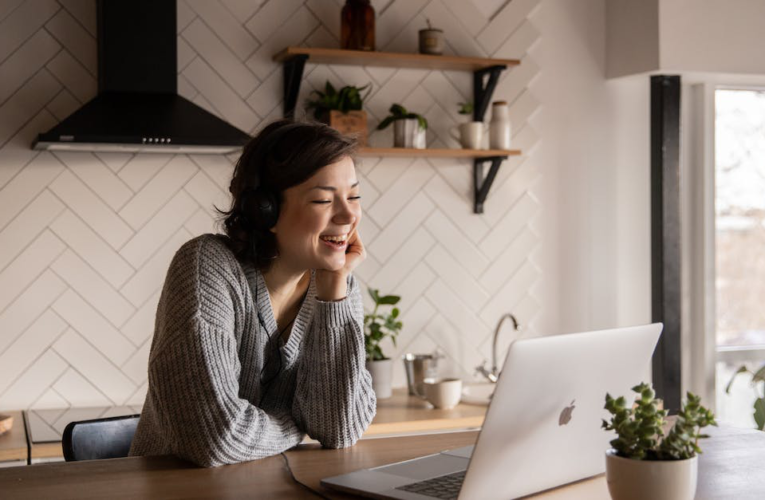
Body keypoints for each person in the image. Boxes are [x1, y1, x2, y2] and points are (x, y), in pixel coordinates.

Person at [128, 119, 377, 467]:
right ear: (265, 211)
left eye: (354, 196)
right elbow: (215, 437)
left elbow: (339, 429)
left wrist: (334, 293)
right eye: (323, 199)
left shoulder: (338, 286)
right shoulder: (207, 266)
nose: (349, 214)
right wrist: (294, 423)